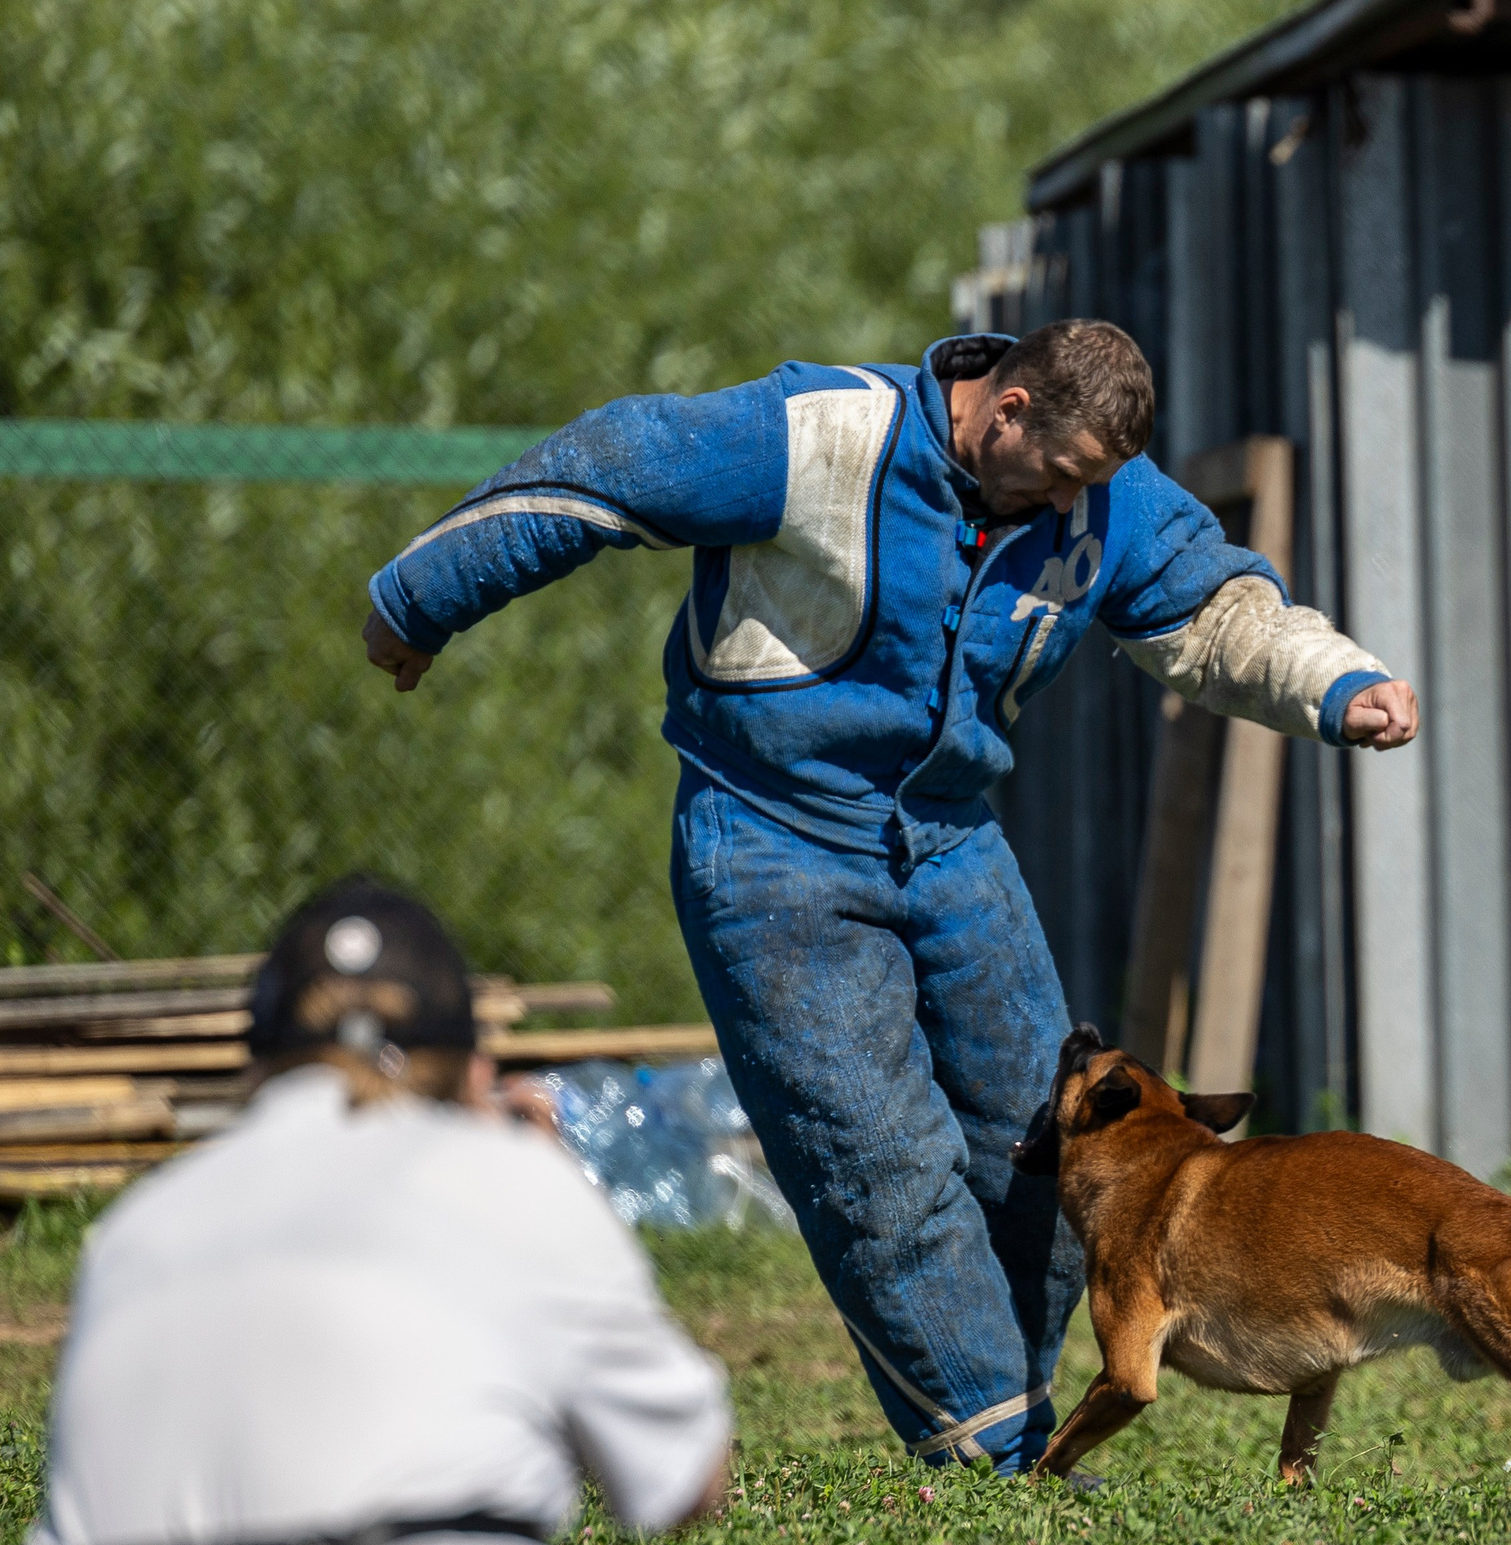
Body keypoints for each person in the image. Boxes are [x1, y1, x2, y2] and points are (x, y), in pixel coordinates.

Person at [359, 321, 1420, 1474]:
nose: (1077, 506)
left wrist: (1339, 685)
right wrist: (420, 602)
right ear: (1004, 410)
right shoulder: (822, 434)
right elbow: (615, 461)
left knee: (1064, 1150)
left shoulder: (1101, 494)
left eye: (1095, 487)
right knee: (878, 1163)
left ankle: (1018, 1431)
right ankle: (991, 1457)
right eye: (1062, 475)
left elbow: (1216, 616)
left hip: (953, 841)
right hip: (770, 838)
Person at [20, 879, 995, 1545]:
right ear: (471, 1065)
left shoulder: (138, 1225)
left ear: (258, 1055)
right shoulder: (506, 1178)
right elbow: (687, 1484)